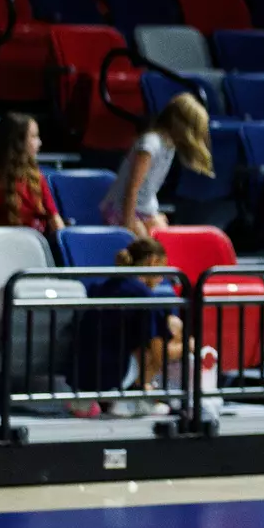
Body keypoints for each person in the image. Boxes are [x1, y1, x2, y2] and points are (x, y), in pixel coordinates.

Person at [69, 237, 186, 418]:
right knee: (160, 339)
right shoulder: (144, 295)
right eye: (162, 268)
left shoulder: (100, 287)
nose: (162, 278)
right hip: (111, 376)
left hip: (79, 376)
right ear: (153, 262)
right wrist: (188, 346)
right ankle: (132, 399)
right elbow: (159, 354)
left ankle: (109, 398)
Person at [100, 93, 213, 237]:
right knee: (145, 245)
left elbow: (148, 189)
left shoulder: (169, 146)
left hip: (144, 210)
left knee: (165, 240)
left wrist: (153, 215)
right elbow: (132, 188)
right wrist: (128, 226)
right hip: (122, 210)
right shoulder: (150, 144)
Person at [0, 113, 64, 234]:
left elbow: (54, 218)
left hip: (38, 240)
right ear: (17, 142)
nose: (39, 143)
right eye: (33, 137)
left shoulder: (37, 175)